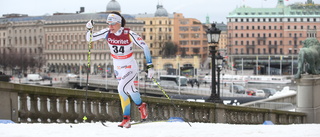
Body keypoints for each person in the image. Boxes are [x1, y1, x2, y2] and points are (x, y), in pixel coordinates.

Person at [85, 11, 154, 128]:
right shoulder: (107, 32)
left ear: (119, 23)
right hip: (118, 67)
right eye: (108, 24)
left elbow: (145, 46)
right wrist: (89, 29)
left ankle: (126, 119)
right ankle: (141, 106)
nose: (110, 26)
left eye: (112, 24)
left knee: (121, 89)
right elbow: (89, 39)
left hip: (129, 66)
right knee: (131, 89)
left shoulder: (129, 34)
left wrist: (150, 66)